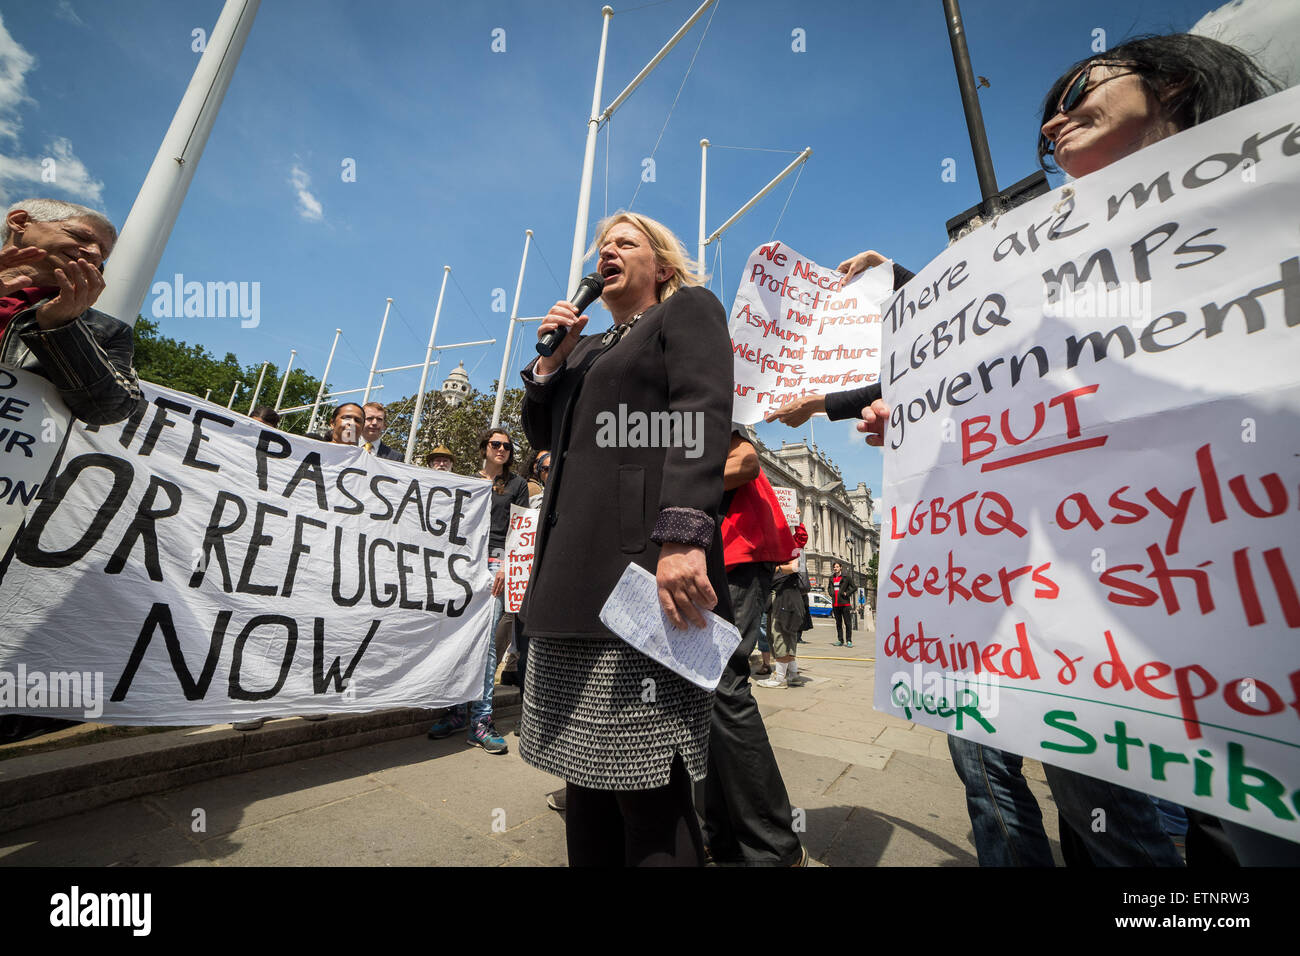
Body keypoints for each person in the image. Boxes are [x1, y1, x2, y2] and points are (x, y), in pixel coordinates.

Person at [773, 33, 1280, 867]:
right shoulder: (1071, 255)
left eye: (1081, 84)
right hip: (1045, 593)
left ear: (1178, 83)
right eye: (1046, 109)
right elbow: (1002, 342)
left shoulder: (1246, 215)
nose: (1052, 118)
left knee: (1192, 832)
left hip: (1195, 599)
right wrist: (902, 309)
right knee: (1059, 801)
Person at [517, 210, 732, 867]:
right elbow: (542, 436)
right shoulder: (584, 350)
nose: (606, 251)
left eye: (624, 243)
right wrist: (550, 364)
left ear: (661, 266)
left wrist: (682, 535)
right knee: (583, 785)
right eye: (601, 245)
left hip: (637, 574)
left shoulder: (685, 310)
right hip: (567, 587)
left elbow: (700, 414)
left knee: (646, 792)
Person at [697, 431, 806, 865]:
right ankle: (720, 833)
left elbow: (745, 463)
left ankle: (775, 843)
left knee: (724, 684)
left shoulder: (693, 396)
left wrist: (674, 485)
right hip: (709, 553)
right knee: (705, 690)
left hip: (737, 553)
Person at [427, 427, 528, 754]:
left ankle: (481, 721)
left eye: (507, 447)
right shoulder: (466, 482)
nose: (502, 449)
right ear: (484, 448)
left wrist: (510, 567)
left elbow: (521, 531)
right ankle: (456, 712)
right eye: (496, 444)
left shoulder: (517, 485)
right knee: (457, 640)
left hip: (497, 566)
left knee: (485, 646)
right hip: (462, 566)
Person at [0, 199, 141, 425]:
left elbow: (110, 409)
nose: (94, 253)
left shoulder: (108, 331)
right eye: (81, 237)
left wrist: (60, 328)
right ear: (20, 222)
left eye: (103, 253)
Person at [826, 560, 855, 648]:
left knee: (847, 623)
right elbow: (829, 588)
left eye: (837, 567)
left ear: (840, 568)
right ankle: (840, 640)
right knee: (838, 623)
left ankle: (849, 640)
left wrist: (847, 593)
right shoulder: (831, 578)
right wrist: (831, 593)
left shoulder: (846, 577)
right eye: (834, 567)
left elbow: (854, 587)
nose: (835, 568)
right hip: (835, 604)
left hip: (845, 603)